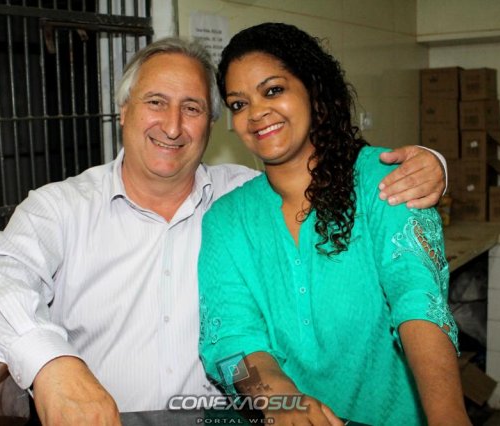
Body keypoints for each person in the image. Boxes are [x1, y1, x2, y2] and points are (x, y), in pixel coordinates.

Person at [0, 37, 447, 425]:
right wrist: (53, 364)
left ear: (210, 124)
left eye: (193, 108)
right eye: (155, 102)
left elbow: (332, 180)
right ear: (123, 111)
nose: (172, 125)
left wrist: (431, 165)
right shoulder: (62, 209)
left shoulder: (241, 198)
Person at [198, 23, 470, 426]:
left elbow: (417, 300)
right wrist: (280, 399)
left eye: (273, 90)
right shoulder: (227, 220)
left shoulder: (385, 182)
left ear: (313, 89)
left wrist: (448, 415)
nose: (255, 113)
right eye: (239, 104)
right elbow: (229, 343)